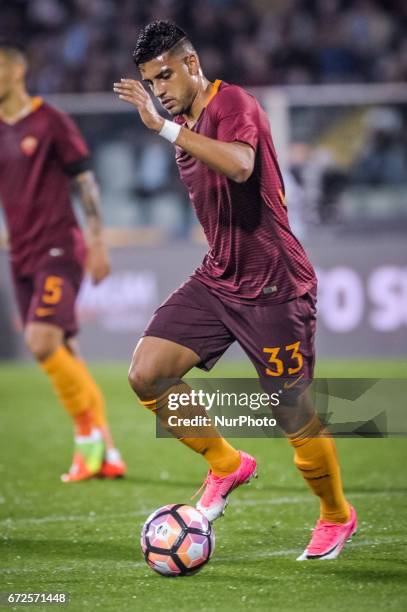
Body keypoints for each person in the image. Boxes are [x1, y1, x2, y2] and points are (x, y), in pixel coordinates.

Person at [114, 21, 357, 560]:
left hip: (275, 285)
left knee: (293, 412)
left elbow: (243, 166)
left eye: (165, 75)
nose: (160, 91)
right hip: (220, 278)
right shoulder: (181, 121)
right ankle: (227, 464)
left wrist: (164, 128)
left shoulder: (235, 105)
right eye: (151, 83)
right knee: (146, 372)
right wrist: (171, 126)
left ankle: (337, 515)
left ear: (192, 63)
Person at [0, 40, 126, 482]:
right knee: (65, 350)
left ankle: (88, 440)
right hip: (21, 254)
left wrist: (97, 242)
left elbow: (85, 181)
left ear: (16, 71)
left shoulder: (51, 120)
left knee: (39, 341)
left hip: (59, 247)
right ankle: (108, 452)